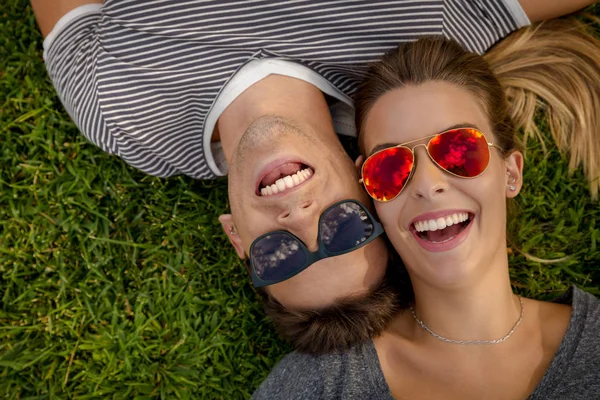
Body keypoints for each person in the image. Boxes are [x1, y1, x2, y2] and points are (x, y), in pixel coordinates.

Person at [31, 1, 596, 353]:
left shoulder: (121, 111)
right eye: (345, 229)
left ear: (236, 238)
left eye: (278, 253)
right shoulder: (420, 43)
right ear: (368, 183)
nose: (299, 216)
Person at [251, 19, 600, 399]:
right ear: (368, 191)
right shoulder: (323, 385)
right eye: (390, 167)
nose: (427, 185)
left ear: (511, 173)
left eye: (459, 150)